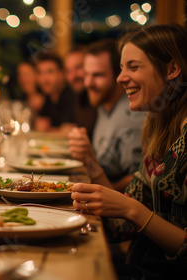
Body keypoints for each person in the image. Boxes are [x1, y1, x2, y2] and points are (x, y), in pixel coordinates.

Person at [71, 24, 187, 279]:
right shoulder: (157, 127)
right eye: (122, 68)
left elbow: (131, 211)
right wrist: (88, 162)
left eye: (133, 67)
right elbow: (121, 220)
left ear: (172, 69)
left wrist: (131, 209)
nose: (120, 78)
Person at [68, 39, 146, 192]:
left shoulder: (131, 116)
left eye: (98, 75)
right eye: (86, 74)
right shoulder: (103, 107)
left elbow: (139, 183)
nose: (88, 83)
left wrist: (100, 188)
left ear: (119, 77)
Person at [34, 52, 76, 133]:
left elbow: (68, 132)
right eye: (40, 73)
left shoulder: (71, 96)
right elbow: (39, 125)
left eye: (50, 72)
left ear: (62, 74)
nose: (44, 79)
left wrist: (48, 129)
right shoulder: (49, 98)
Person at [64, 46, 97, 139]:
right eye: (68, 71)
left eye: (78, 67)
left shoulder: (100, 99)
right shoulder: (78, 97)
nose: (72, 77)